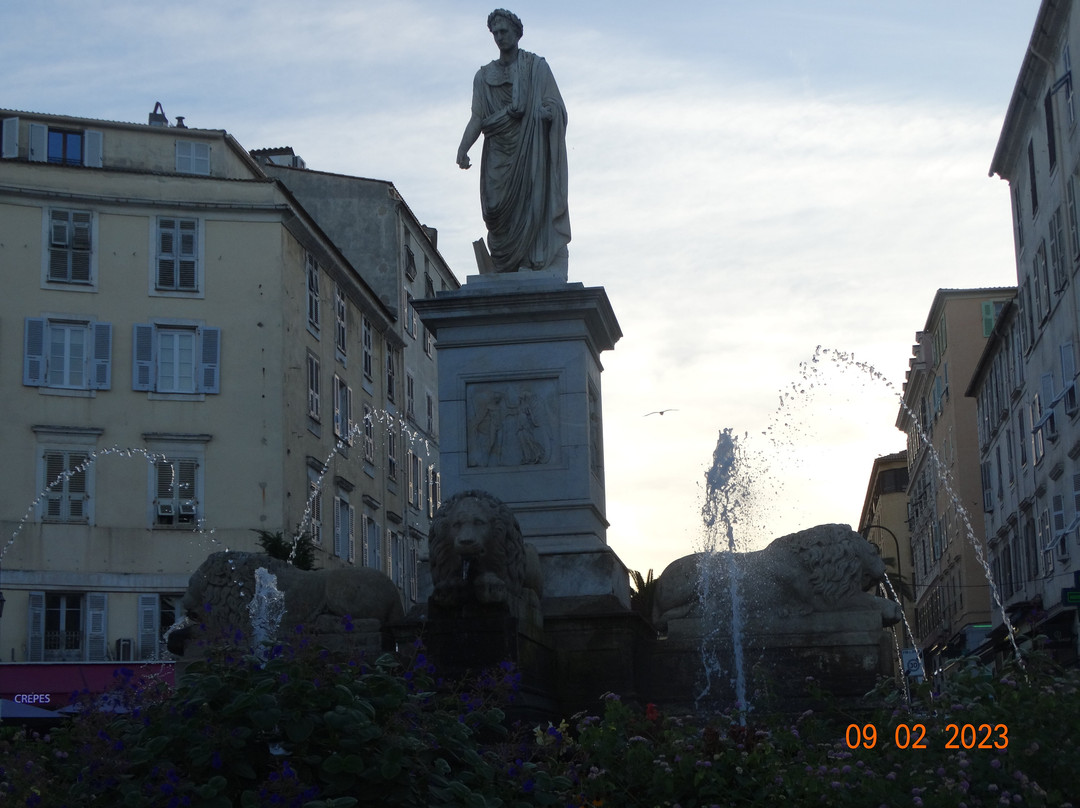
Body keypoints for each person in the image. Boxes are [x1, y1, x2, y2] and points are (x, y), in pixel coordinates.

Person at [457, 9, 570, 274]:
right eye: (495, 33)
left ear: (517, 33)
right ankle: (504, 265)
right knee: (495, 210)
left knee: (532, 204)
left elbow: (556, 105)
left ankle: (530, 261)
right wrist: (463, 148)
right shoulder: (483, 76)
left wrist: (547, 113)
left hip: (530, 150)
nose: (499, 37)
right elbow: (477, 117)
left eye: (504, 31)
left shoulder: (536, 67)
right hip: (497, 150)